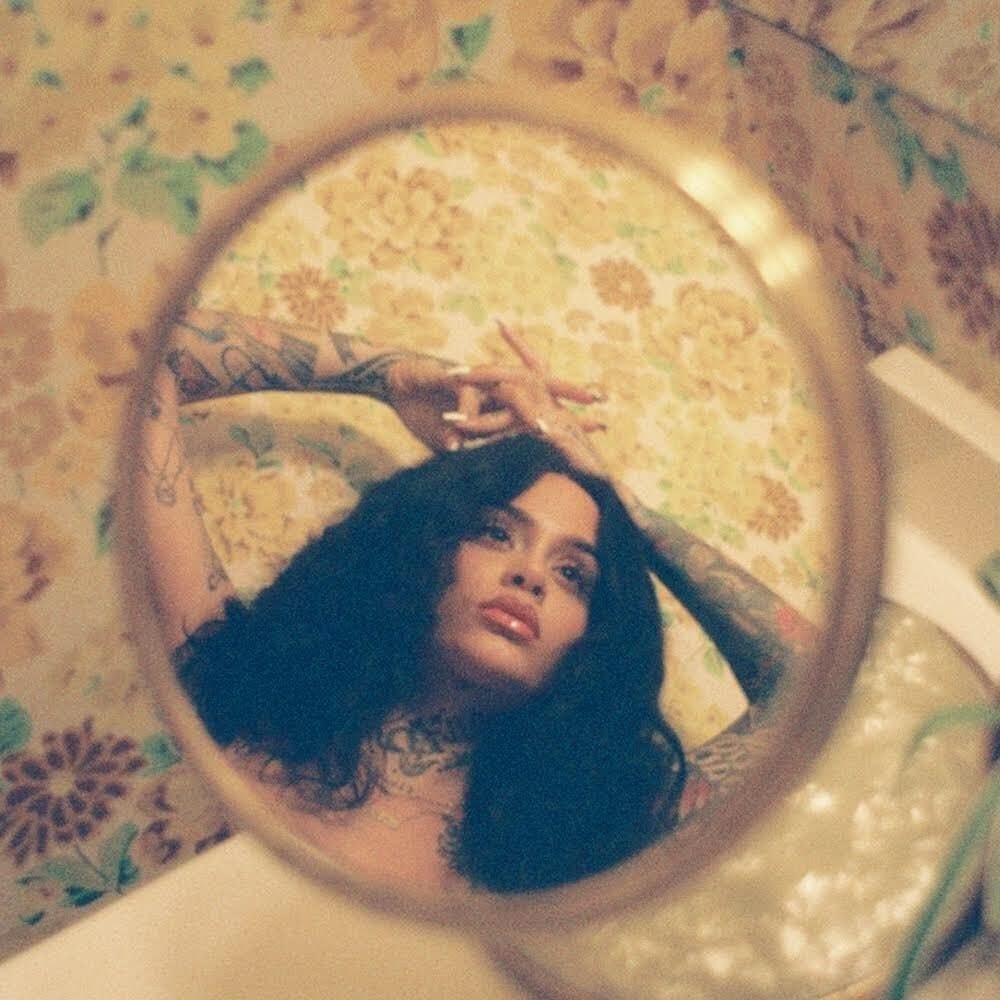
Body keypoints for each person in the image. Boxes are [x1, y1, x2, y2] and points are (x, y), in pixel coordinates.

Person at [138, 308, 816, 894]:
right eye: (496, 533)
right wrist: (392, 377)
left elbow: (822, 679)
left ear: (595, 634)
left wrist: (619, 504)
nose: (530, 576)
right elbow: (149, 352)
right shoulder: (246, 682)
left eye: (574, 573)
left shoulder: (588, 839)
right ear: (425, 547)